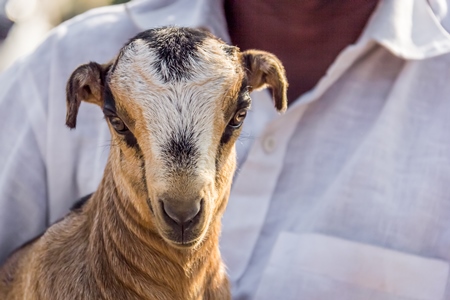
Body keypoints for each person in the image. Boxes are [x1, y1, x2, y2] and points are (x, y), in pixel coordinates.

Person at [1, 0, 450, 299]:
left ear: (266, 82)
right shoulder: (55, 61)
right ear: (87, 93)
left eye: (235, 118)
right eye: (122, 123)